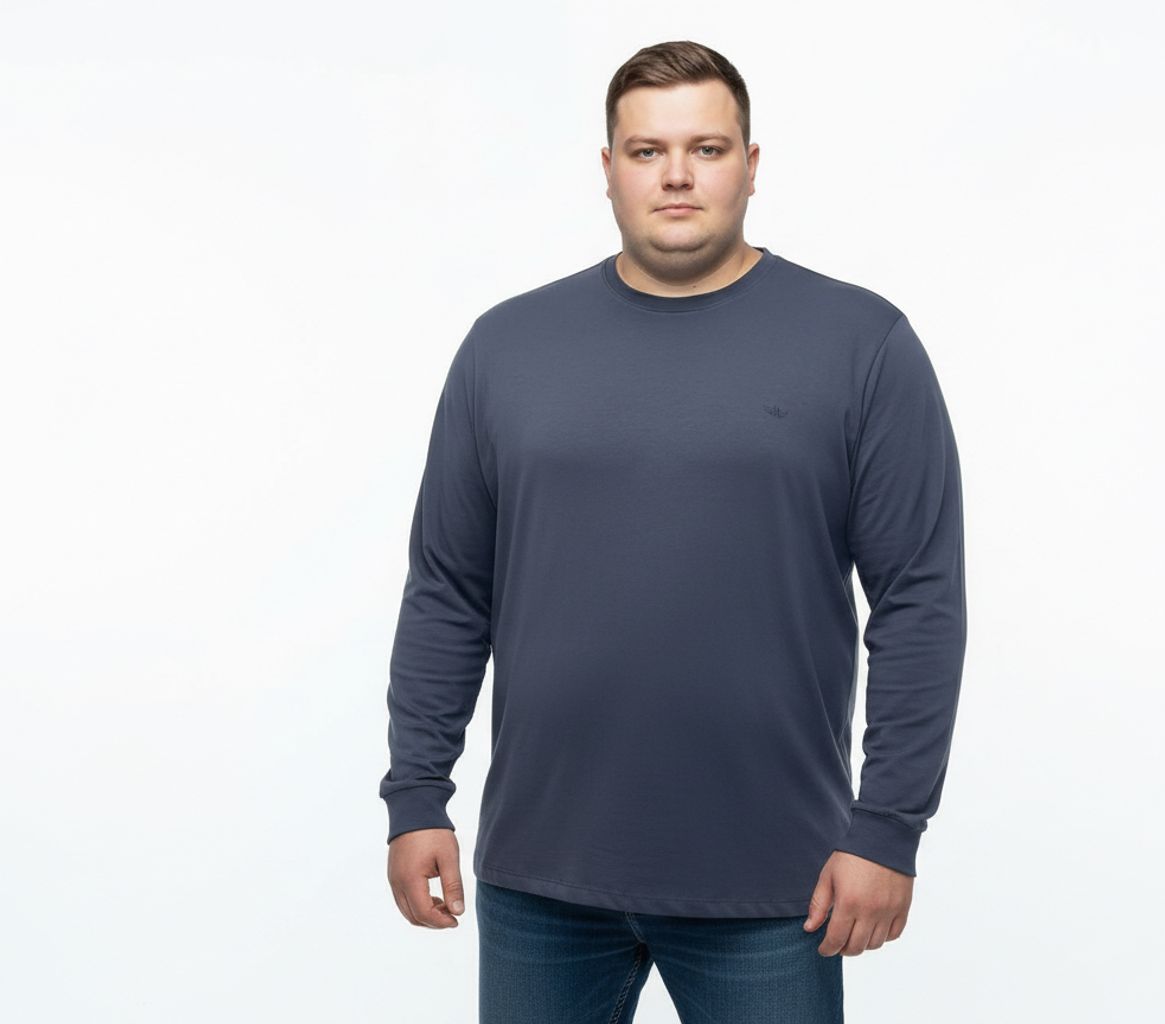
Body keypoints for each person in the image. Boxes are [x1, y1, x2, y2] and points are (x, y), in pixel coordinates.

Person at [379, 39, 968, 1023]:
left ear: (750, 163)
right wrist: (415, 796)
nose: (677, 175)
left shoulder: (860, 344)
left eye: (707, 147)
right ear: (607, 168)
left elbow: (918, 600)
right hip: (541, 874)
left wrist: (887, 827)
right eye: (647, 151)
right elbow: (447, 588)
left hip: (775, 879)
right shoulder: (506, 347)